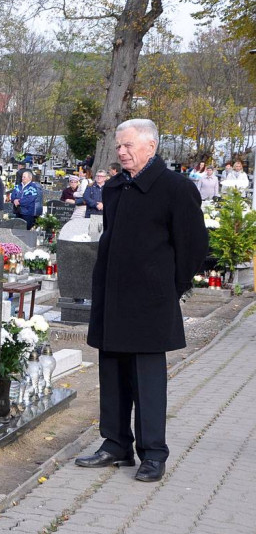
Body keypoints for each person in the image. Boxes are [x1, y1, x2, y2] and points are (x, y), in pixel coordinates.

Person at [76, 119, 207, 483]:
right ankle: (116, 443)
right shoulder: (116, 187)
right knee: (113, 372)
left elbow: (194, 245)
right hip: (113, 297)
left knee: (147, 380)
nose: (121, 152)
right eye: (119, 146)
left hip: (151, 300)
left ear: (150, 146)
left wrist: (172, 286)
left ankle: (153, 453)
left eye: (128, 145)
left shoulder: (175, 188)